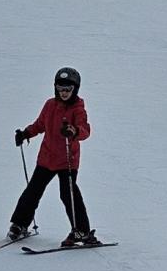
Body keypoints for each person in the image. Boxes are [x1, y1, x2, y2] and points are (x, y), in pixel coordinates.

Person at [9, 67, 100, 247]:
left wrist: (73, 131)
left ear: (75, 89)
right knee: (32, 192)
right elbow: (39, 125)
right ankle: (19, 224)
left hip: (67, 160)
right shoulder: (50, 105)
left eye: (68, 89)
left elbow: (85, 130)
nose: (64, 93)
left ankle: (81, 231)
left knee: (69, 195)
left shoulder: (78, 108)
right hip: (47, 158)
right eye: (60, 88)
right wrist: (26, 133)